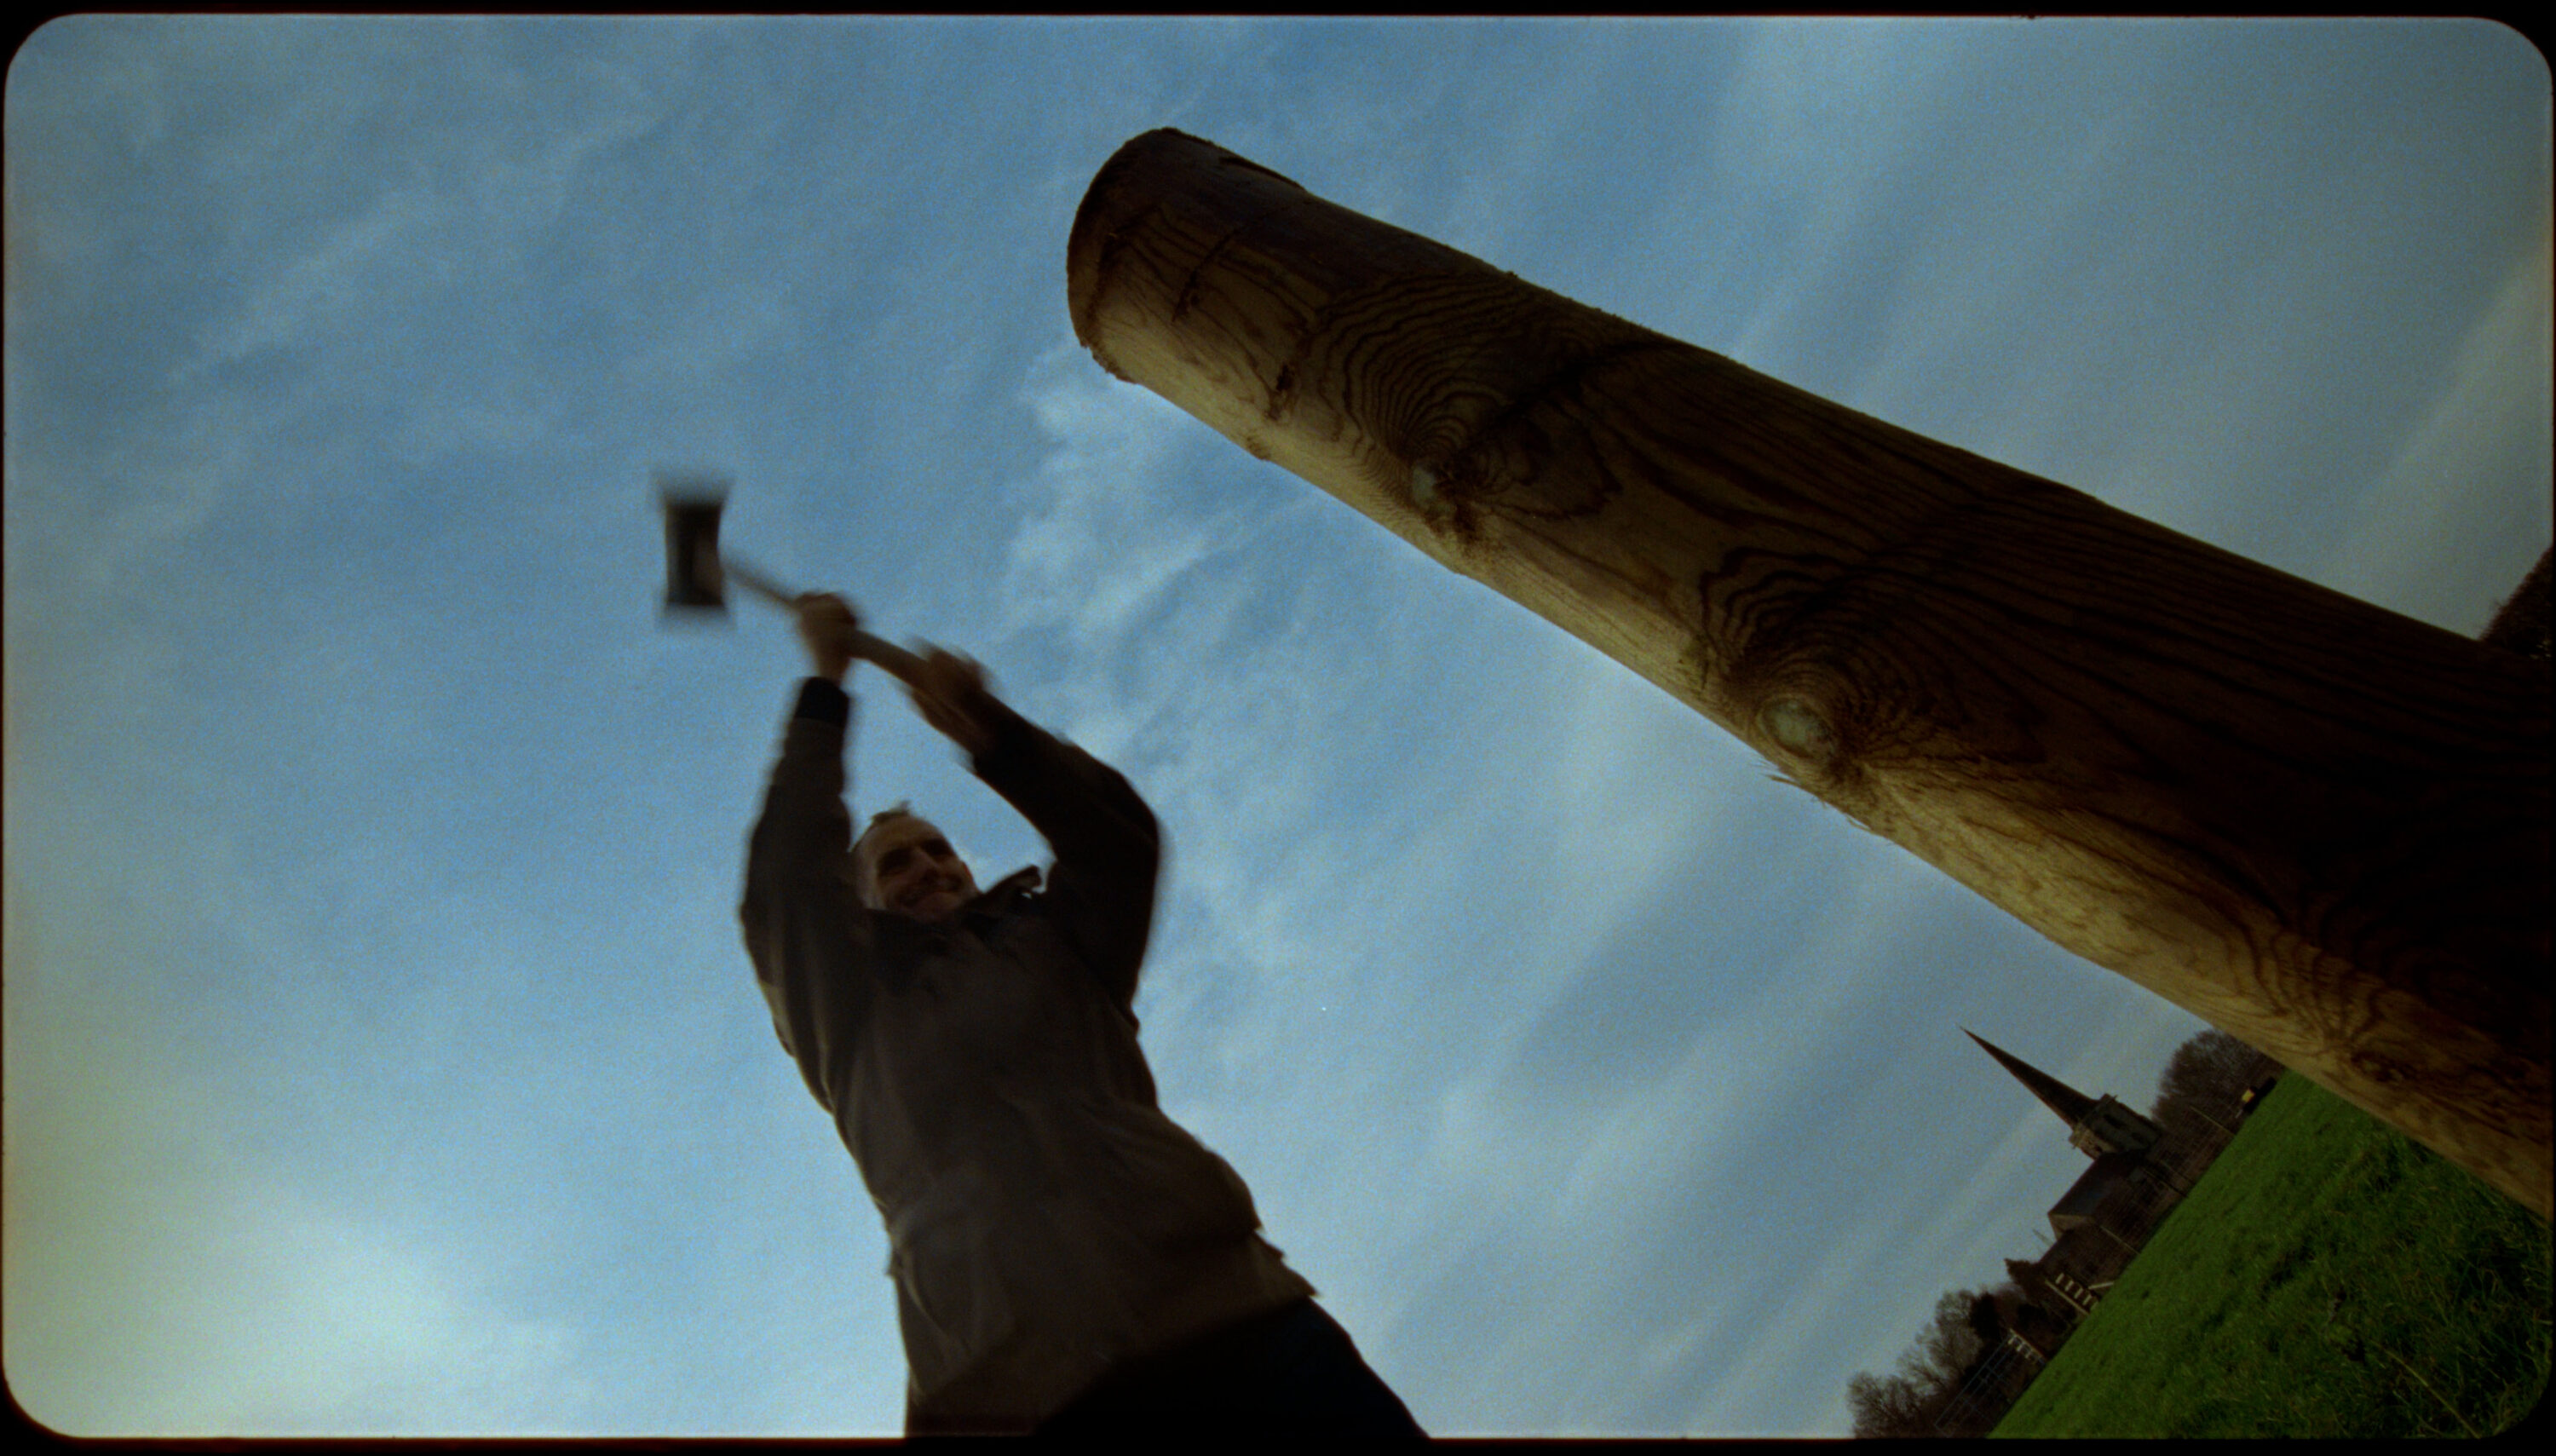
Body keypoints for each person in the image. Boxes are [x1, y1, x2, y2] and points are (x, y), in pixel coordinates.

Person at [740, 592, 1425, 1437]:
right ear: (861, 902)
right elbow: (784, 885)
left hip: (1239, 1326)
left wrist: (996, 734)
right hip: (1021, 1394)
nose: (928, 867)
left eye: (938, 849)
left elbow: (1117, 839)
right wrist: (825, 685)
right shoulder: (843, 1017)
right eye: (896, 863)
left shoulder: (1055, 940)